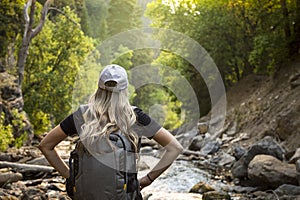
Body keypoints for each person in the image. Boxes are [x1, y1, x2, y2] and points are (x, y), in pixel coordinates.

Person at [38, 64, 183, 198]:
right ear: (125, 90)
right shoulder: (135, 117)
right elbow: (174, 148)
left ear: (99, 88)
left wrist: (71, 177)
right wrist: (147, 179)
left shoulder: (82, 115)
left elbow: (45, 145)